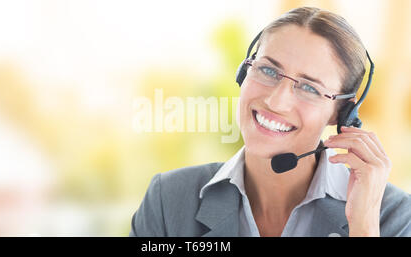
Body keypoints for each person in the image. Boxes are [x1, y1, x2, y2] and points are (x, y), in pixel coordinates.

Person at [129, 6, 411, 237]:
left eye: (310, 88)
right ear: (243, 73)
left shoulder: (394, 216)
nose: (276, 102)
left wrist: (363, 226)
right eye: (268, 70)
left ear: (341, 113)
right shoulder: (169, 199)